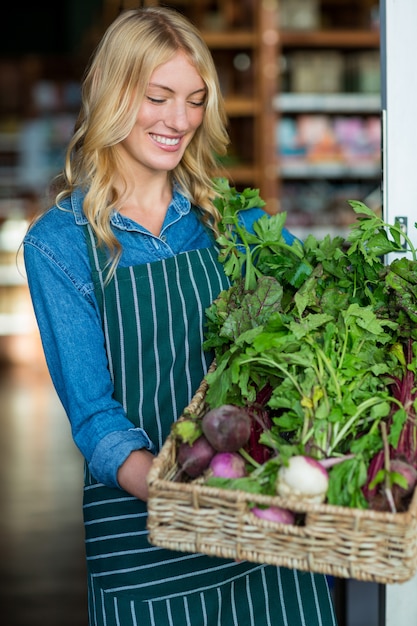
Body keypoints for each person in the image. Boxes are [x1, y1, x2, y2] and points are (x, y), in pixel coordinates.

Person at [23, 7, 338, 626]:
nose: (180, 120)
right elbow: (94, 418)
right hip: (146, 540)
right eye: (159, 97)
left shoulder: (235, 224)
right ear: (114, 95)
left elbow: (318, 332)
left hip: (262, 532)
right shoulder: (59, 246)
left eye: (195, 100)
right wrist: (183, 494)